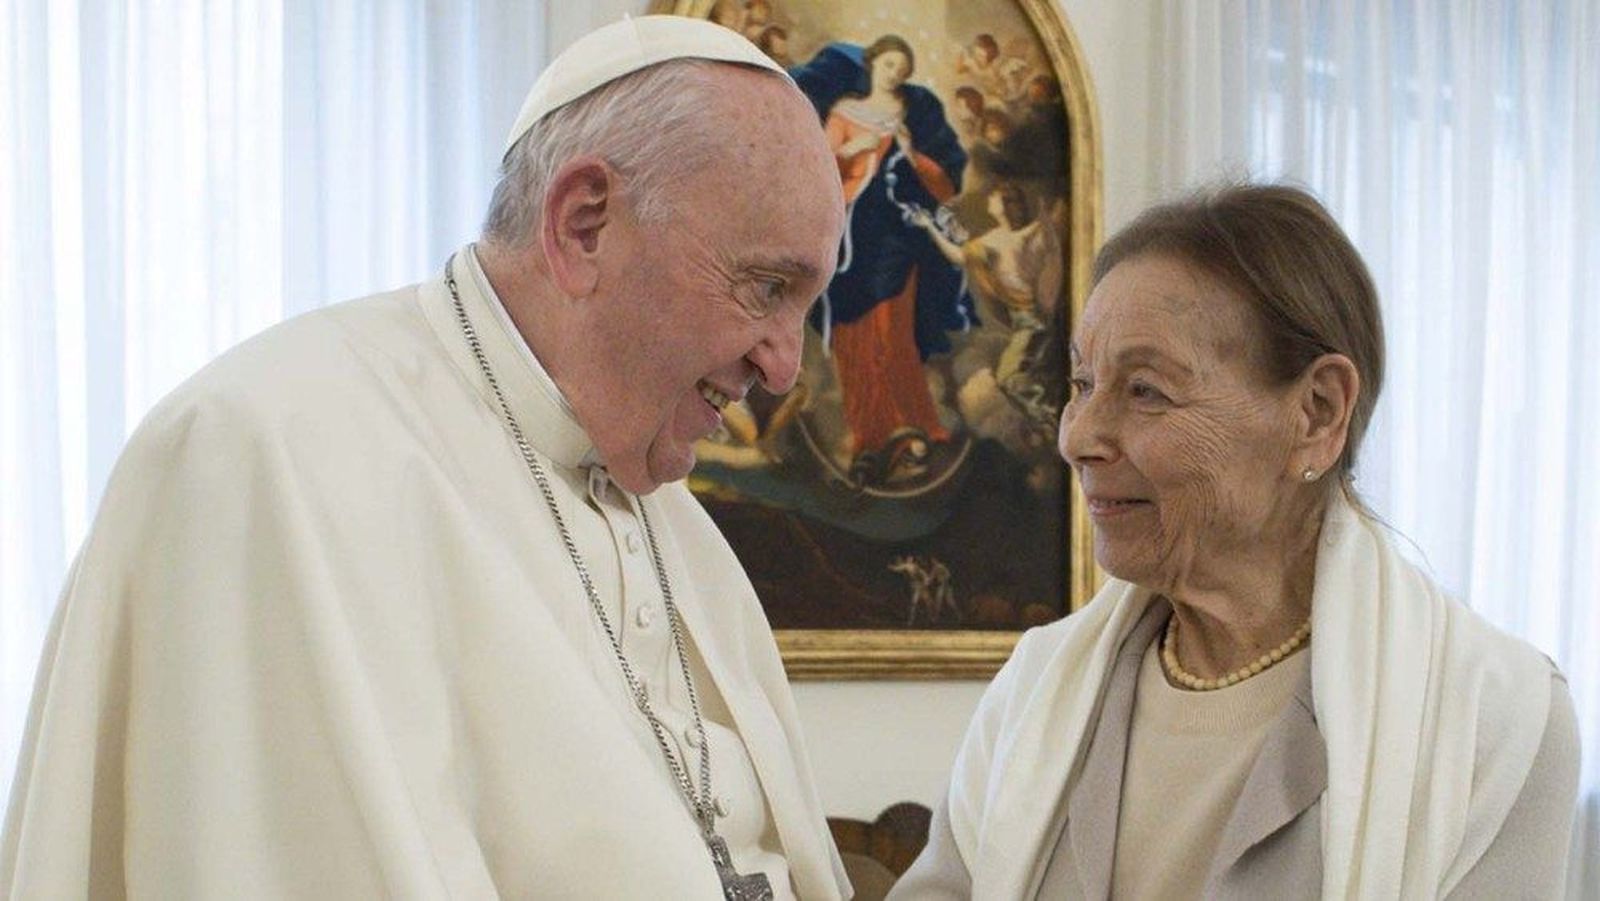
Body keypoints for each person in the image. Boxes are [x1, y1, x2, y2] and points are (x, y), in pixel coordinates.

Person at [0, 16, 852, 900]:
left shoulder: (677, 525)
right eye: (767, 288)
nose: (785, 364)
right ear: (584, 224)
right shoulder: (267, 452)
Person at [889, 185, 1580, 898]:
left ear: (1316, 412)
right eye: (1082, 381)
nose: (1079, 437)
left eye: (1145, 390)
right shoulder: (1036, 689)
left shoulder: (1494, 718)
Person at [795, 34, 973, 458]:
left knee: (896, 333)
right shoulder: (844, 112)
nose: (895, 73)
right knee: (854, 335)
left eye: (902, 68)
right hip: (853, 231)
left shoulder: (908, 121)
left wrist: (912, 154)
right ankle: (871, 432)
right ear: (874, 65)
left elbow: (940, 185)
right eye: (890, 64)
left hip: (896, 235)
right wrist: (853, 148)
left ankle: (919, 423)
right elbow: (814, 167)